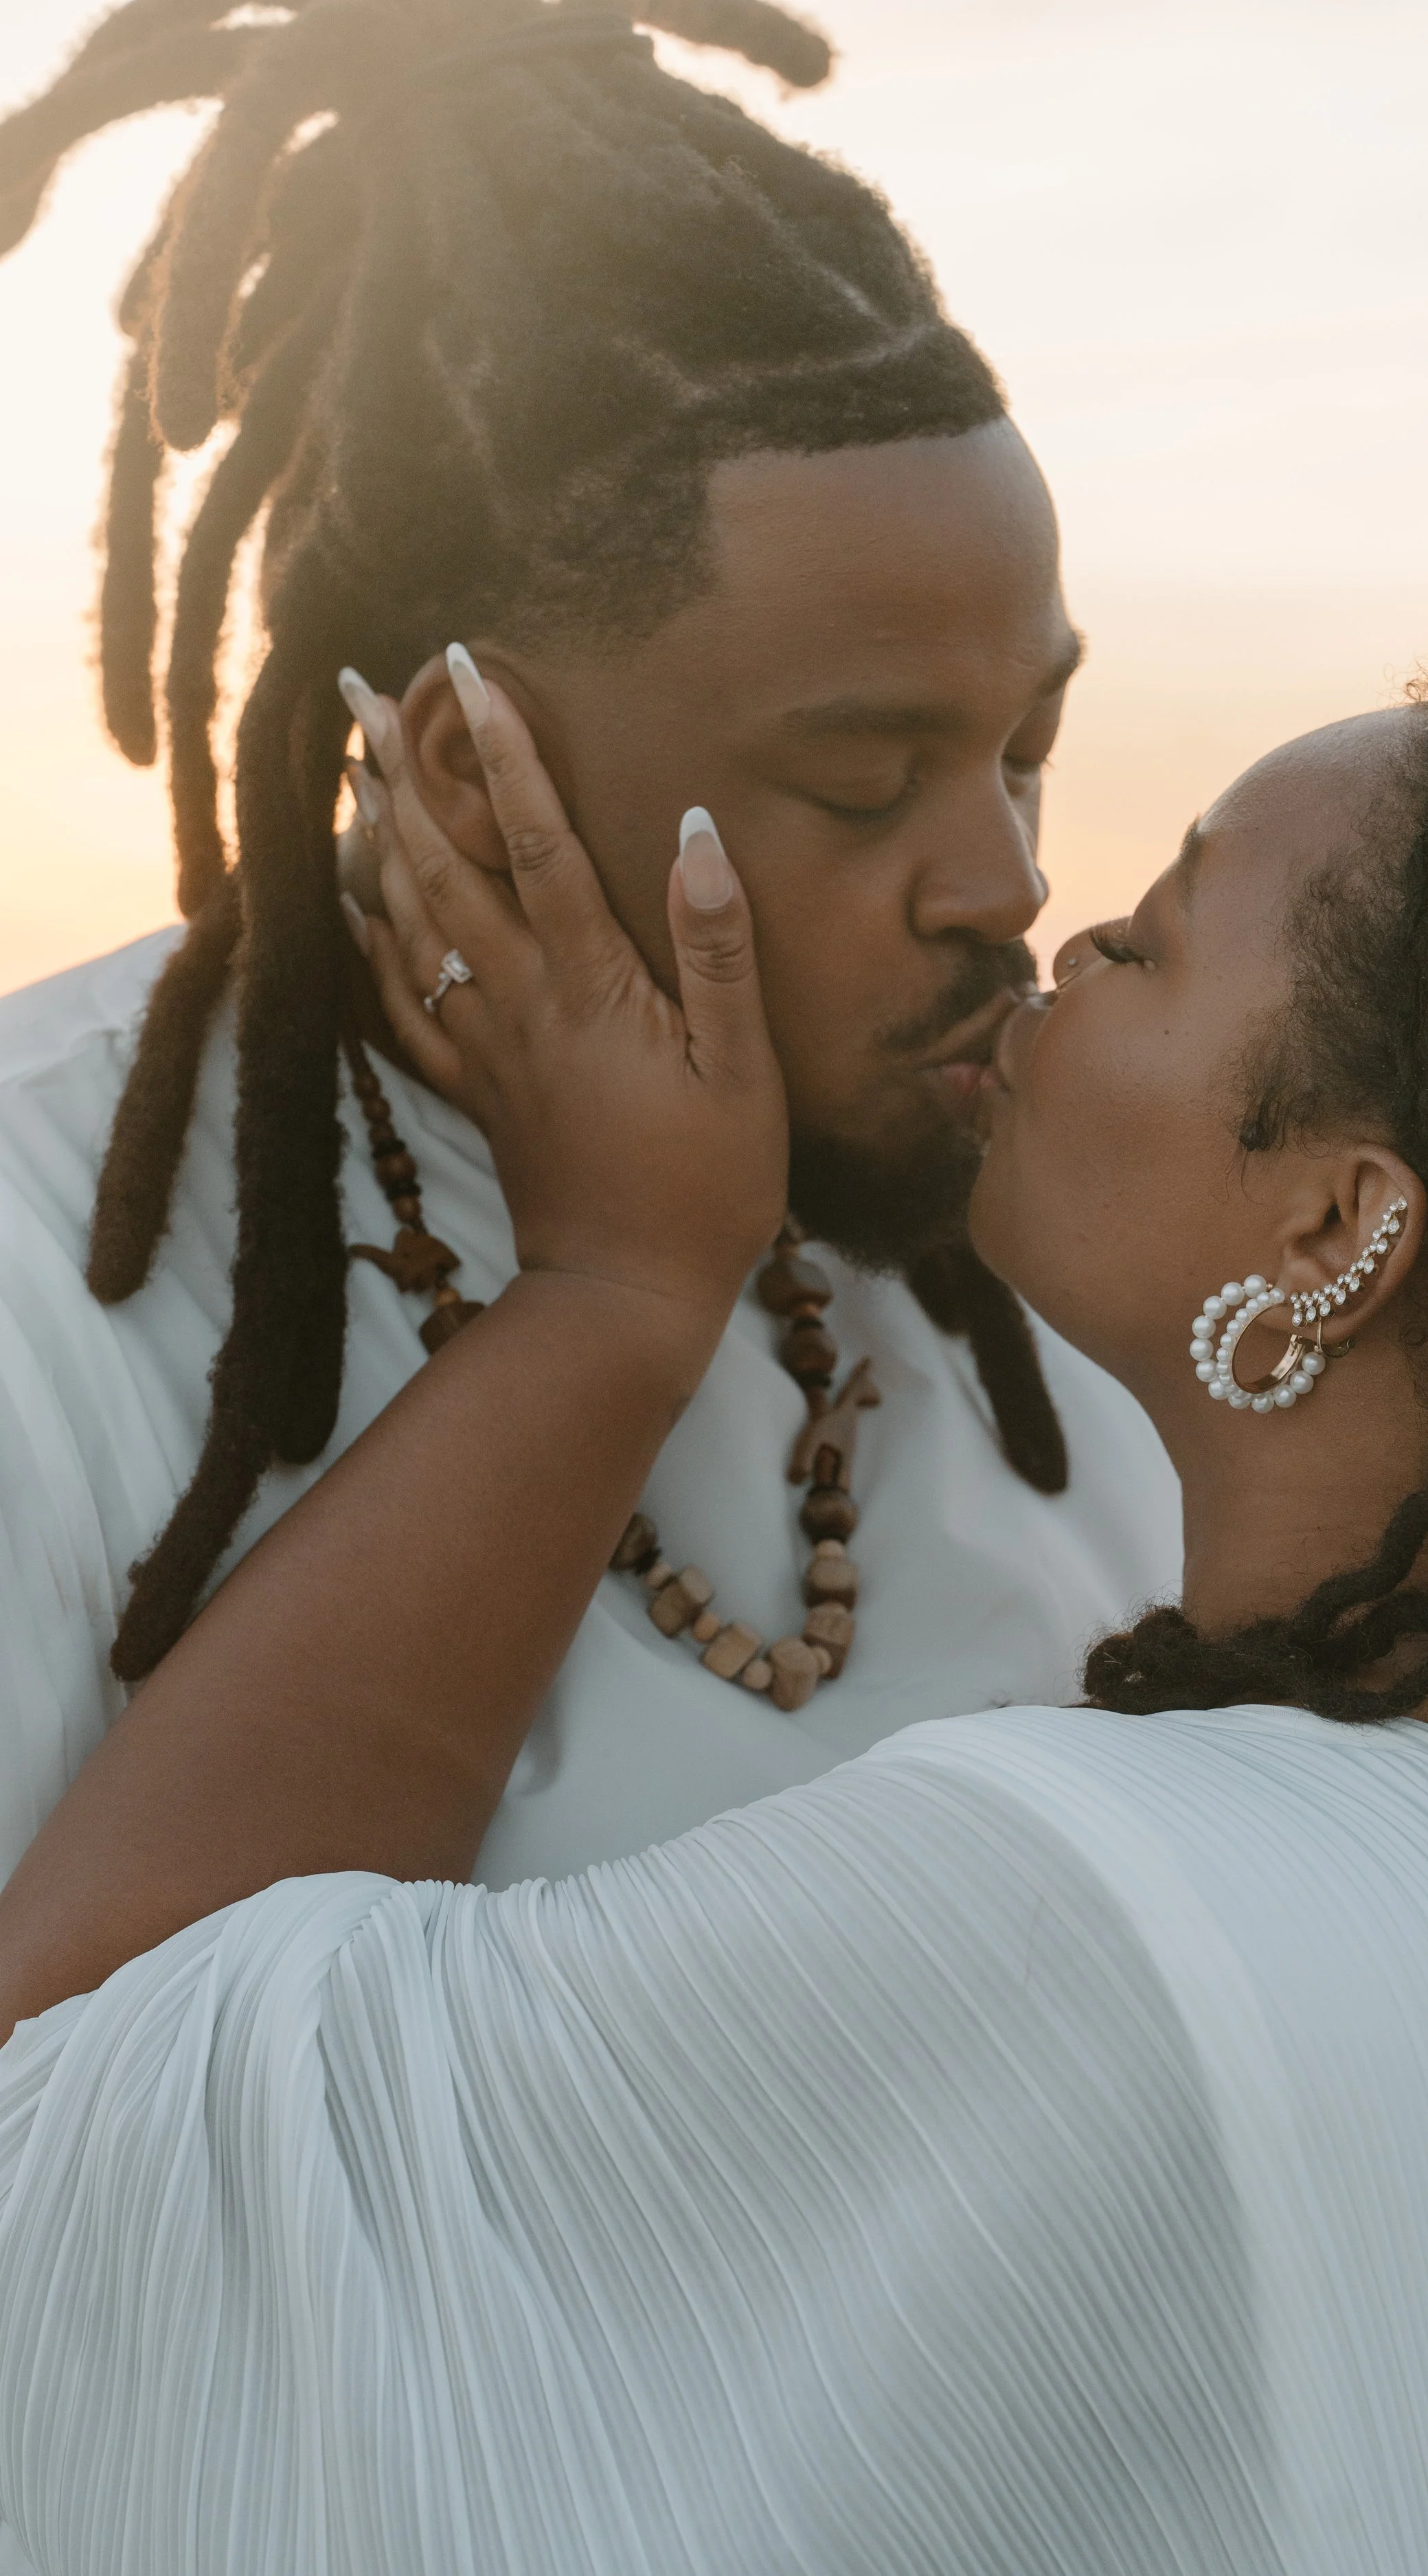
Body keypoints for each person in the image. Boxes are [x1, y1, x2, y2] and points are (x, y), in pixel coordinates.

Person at [0, 675, 1428, 2573]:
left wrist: (614, 1283)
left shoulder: (1101, 1904)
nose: (1042, 917)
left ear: (1333, 1232)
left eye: (1145, 938)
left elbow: (79, 2180)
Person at [0, 0, 1178, 1893]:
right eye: (870, 780)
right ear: (475, 772)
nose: (1004, 882)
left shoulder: (1041, 1259)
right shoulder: (38, 1290)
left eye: (1024, 748)